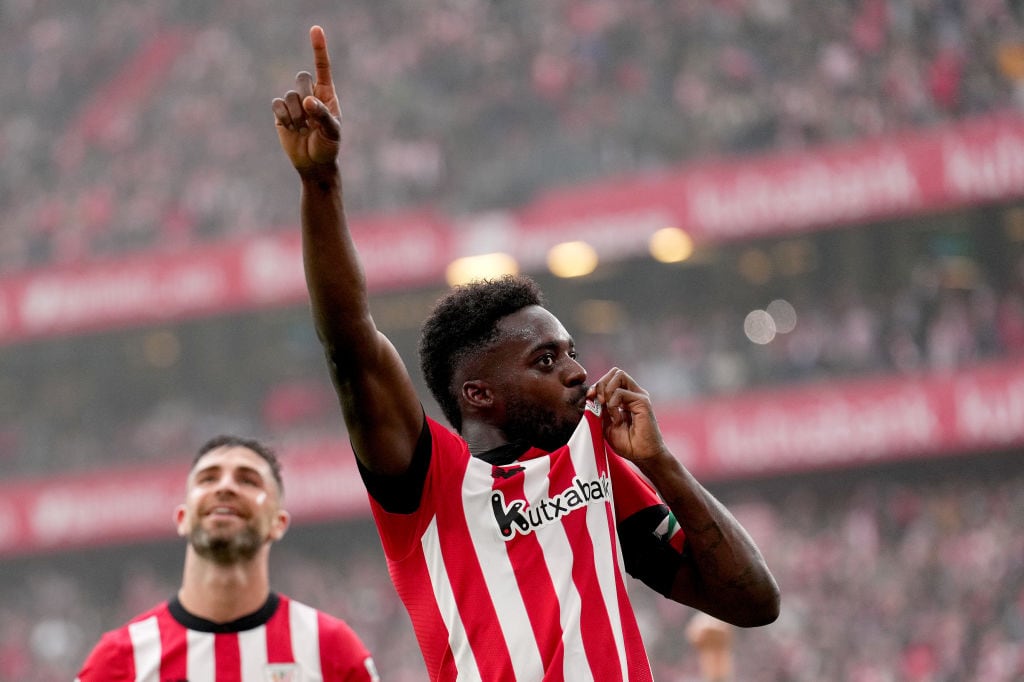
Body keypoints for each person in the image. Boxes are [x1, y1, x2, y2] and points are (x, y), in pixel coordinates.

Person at [272, 25, 780, 681]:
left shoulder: (594, 458)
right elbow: (350, 346)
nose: (576, 372)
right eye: (544, 361)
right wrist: (322, 185)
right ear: (478, 393)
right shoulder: (427, 485)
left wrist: (662, 465)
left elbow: (754, 602)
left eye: (570, 352)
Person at [76, 434, 380, 681]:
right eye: (208, 479)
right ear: (182, 518)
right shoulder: (118, 661)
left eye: (248, 480)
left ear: (278, 523)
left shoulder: (332, 651)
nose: (225, 487)